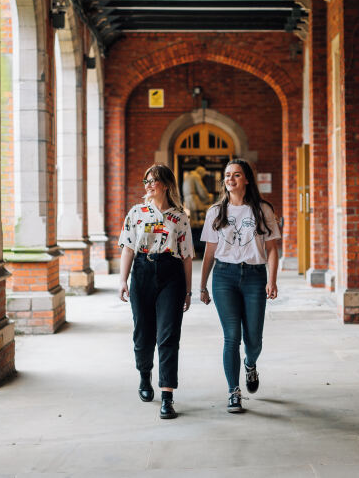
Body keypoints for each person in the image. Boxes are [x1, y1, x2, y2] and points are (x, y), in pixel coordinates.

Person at [198, 159, 280, 413]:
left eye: (236, 175)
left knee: (253, 339)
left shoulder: (262, 210)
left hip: (255, 276)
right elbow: (210, 251)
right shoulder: (215, 211)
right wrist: (202, 286)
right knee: (231, 337)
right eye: (227, 175)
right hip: (224, 277)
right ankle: (234, 391)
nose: (230, 179)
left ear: (246, 180)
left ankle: (250, 363)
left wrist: (272, 279)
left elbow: (272, 248)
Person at [118, 164, 194, 419]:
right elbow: (128, 248)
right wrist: (122, 281)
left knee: (169, 336)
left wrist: (189, 291)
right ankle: (144, 375)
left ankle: (168, 396)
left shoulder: (180, 217)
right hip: (142, 271)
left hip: (171, 274)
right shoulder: (136, 213)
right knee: (143, 332)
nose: (148, 184)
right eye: (146, 180)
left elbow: (186, 256)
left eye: (154, 180)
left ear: (166, 184)